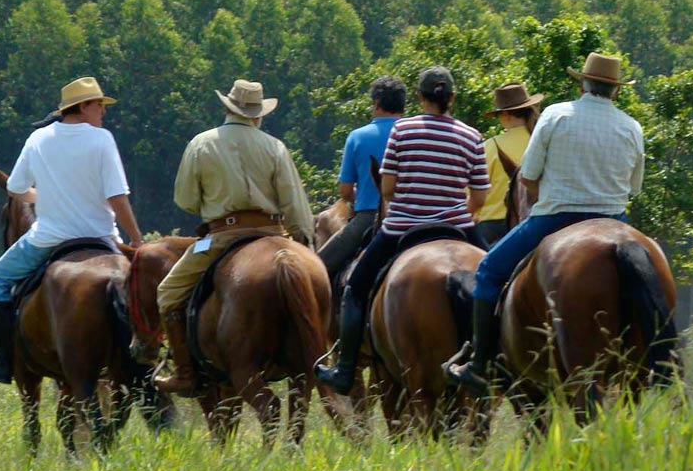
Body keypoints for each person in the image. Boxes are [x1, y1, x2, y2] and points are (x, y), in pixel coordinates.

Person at [446, 53, 645, 394]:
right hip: (615, 219)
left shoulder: (555, 115)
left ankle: (480, 363)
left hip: (556, 217)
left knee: (489, 271)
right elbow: (634, 187)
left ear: (582, 84)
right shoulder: (632, 126)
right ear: (616, 91)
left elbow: (529, 176)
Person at [315, 66, 490, 394]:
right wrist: (455, 212)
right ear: (452, 98)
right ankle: (503, 365)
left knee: (355, 287)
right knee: (499, 283)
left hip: (402, 227)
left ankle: (345, 368)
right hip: (458, 227)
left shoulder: (403, 130)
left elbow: (388, 188)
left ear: (420, 98)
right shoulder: (471, 135)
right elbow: (480, 197)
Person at [0, 77, 144, 384]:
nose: (103, 111)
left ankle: (3, 363)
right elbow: (116, 196)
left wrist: (42, 196)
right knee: (145, 286)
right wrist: (136, 238)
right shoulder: (102, 139)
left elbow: (15, 188)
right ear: (82, 106)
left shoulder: (38, 139)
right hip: (103, 239)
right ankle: (156, 355)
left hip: (48, 239)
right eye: (99, 105)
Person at [154, 79, 315, 395]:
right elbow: (294, 204)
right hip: (274, 232)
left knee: (168, 293)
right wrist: (303, 240)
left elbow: (186, 200)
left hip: (223, 237)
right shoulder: (275, 146)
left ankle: (185, 373)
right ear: (258, 115)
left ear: (227, 108)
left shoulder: (201, 143)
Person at [316, 76, 404, 280]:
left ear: (376, 103)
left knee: (317, 268)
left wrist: (362, 196)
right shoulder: (412, 134)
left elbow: (345, 191)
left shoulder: (358, 136)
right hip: (412, 217)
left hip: (368, 218)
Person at [476, 83, 544, 247]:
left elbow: (474, 190)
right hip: (535, 221)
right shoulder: (541, 142)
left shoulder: (490, 146)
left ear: (505, 114)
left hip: (494, 225)